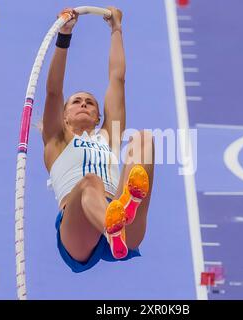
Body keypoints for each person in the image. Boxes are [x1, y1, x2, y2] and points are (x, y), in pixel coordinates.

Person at [42, 7, 155, 273]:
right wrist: (64, 36)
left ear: (97, 117)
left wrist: (116, 29)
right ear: (64, 116)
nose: (83, 103)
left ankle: (122, 212)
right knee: (89, 181)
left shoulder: (108, 136)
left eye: (90, 103)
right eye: (76, 102)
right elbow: (53, 91)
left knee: (144, 140)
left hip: (119, 217)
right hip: (79, 231)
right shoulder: (55, 141)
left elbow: (117, 79)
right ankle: (112, 227)